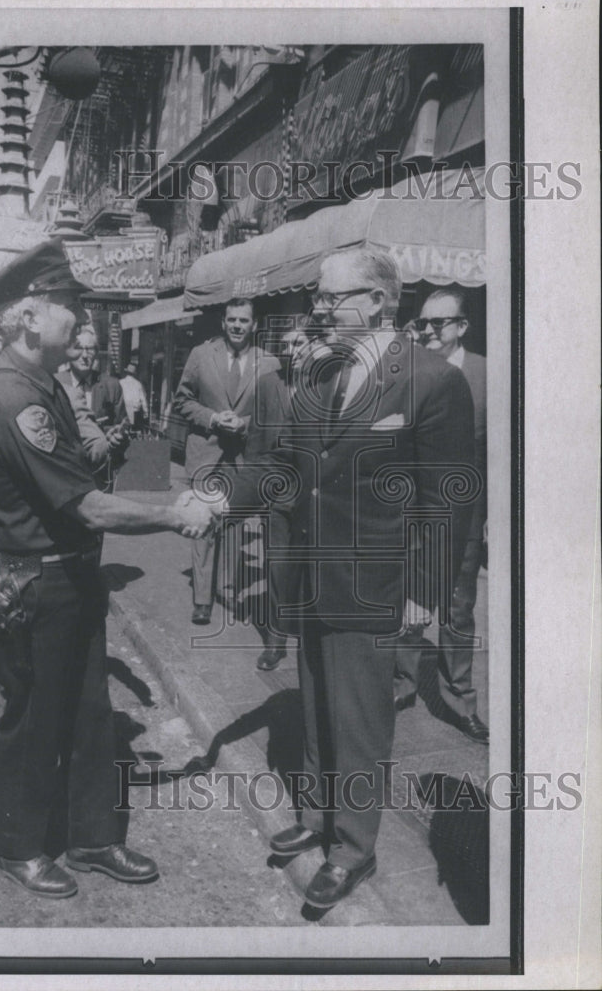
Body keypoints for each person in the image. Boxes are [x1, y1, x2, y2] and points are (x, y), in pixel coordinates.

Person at [203, 249, 475, 909]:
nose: (319, 309)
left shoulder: (433, 380)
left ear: (378, 301)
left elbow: (450, 499)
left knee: (359, 720)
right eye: (318, 298)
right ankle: (320, 817)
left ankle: (354, 848)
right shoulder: (321, 374)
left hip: (375, 583)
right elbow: (282, 466)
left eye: (332, 298)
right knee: (318, 707)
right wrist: (215, 500)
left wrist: (424, 591)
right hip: (312, 573)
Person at [0, 239, 213, 899]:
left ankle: (93, 839)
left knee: (87, 715)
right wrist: (173, 515)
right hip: (32, 584)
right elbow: (87, 505)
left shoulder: (45, 385)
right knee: (32, 722)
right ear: (28, 318)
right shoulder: (14, 399)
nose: (79, 319)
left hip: (68, 578)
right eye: (67, 306)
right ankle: (16, 847)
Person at [393, 286, 489, 744]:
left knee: (458, 609)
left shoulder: (487, 374)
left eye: (440, 322)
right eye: (423, 322)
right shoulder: (408, 371)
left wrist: (494, 515)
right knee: (409, 600)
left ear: (462, 326)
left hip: (465, 516)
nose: (429, 330)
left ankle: (460, 700)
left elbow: (502, 452)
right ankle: (402, 685)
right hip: (413, 512)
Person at [173, 298, 279, 625]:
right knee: (203, 524)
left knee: (233, 525)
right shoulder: (201, 355)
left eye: (243, 320)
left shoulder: (269, 363)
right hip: (205, 452)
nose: (237, 326)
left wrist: (244, 424)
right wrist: (212, 418)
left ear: (254, 325)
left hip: (241, 457)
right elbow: (182, 401)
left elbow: (271, 414)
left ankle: (228, 588)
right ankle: (202, 599)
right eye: (232, 319)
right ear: (223, 322)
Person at [241, 326, 316, 670]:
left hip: (314, 495)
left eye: (299, 342)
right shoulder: (268, 384)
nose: (291, 350)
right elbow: (255, 441)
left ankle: (312, 641)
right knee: (276, 567)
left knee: (313, 568)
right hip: (278, 493)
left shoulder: (329, 384)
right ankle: (275, 641)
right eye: (286, 344)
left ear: (313, 344)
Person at [56, 325, 126, 432]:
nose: (84, 355)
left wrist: (112, 433)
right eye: (79, 348)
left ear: (96, 353)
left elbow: (121, 425)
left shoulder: (112, 386)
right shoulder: (56, 384)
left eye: (90, 349)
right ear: (69, 353)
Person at [119, 363, 150, 432]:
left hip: (124, 410)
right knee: (135, 431)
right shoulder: (138, 384)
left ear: (126, 372)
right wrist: (146, 412)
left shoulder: (121, 382)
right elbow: (143, 399)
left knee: (123, 431)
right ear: (135, 373)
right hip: (136, 411)